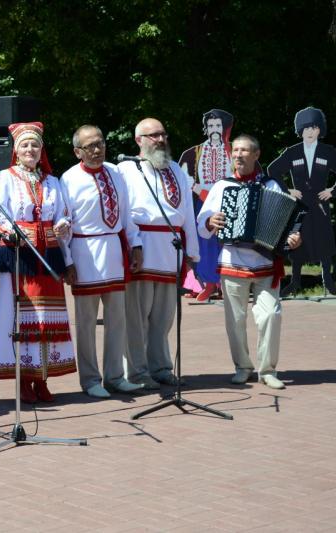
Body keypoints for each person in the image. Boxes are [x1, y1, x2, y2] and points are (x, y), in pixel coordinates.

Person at [196, 134, 303, 389]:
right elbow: (202, 225)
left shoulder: (272, 186)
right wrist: (210, 222)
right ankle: (242, 366)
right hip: (233, 261)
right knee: (235, 319)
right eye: (235, 151)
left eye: (244, 151)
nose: (238, 155)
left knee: (270, 315)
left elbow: (287, 222)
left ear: (256, 155)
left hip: (266, 263)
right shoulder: (222, 187)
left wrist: (293, 238)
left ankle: (267, 370)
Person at [0, 121, 76, 402]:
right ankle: (24, 378)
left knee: (47, 319)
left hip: (49, 254)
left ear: (42, 150)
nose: (30, 149)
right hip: (20, 255)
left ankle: (42, 377)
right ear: (16, 150)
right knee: (23, 318)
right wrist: (15, 234)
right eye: (25, 145)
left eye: (35, 145)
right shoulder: (5, 177)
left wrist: (63, 225)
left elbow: (63, 214)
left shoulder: (52, 181)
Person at [60, 125, 145, 397]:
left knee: (117, 318)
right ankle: (90, 380)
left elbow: (127, 212)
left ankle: (115, 376)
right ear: (77, 152)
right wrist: (67, 260)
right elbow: (64, 221)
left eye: (100, 143)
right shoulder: (69, 178)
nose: (96, 150)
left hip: (113, 249)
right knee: (85, 321)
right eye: (89, 146)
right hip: (84, 251)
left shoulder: (116, 172)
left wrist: (136, 244)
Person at [118, 118, 200, 389]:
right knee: (137, 316)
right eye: (153, 135)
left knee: (163, 317)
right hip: (142, 247)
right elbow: (124, 212)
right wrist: (133, 245)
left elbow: (187, 212)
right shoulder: (126, 170)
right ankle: (138, 372)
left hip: (171, 248)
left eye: (163, 134)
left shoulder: (176, 169)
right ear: (139, 140)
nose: (161, 139)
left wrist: (191, 252)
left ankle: (162, 367)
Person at [267, 107, 336, 296]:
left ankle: (327, 279)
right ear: (300, 131)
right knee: (297, 241)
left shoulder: (327, 151)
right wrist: (287, 190)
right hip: (300, 205)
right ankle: (295, 281)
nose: (310, 132)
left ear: (320, 130)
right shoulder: (292, 152)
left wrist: (333, 191)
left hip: (320, 204)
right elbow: (272, 170)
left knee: (324, 241)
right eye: (306, 128)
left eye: (314, 128)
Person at [179, 109, 235, 301]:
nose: (214, 129)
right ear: (206, 128)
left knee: (228, 243)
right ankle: (207, 283)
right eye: (211, 126)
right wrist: (198, 190)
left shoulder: (234, 151)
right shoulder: (192, 153)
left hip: (231, 204)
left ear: (224, 128)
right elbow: (182, 179)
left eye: (218, 125)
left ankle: (227, 284)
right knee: (204, 246)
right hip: (202, 205)